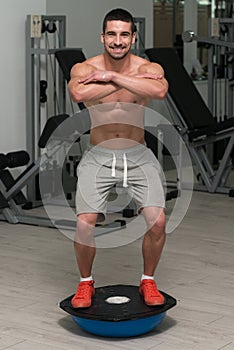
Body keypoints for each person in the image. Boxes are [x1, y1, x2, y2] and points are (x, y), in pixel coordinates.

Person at [68, 8, 168, 308]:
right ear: (102, 37)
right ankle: (85, 283)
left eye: (124, 34)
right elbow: (77, 94)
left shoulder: (149, 66)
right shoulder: (84, 68)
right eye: (112, 34)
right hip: (98, 154)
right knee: (85, 224)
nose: (118, 40)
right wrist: (130, 80)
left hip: (138, 153)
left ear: (133, 37)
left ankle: (148, 281)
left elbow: (160, 91)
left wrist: (110, 76)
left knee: (158, 221)